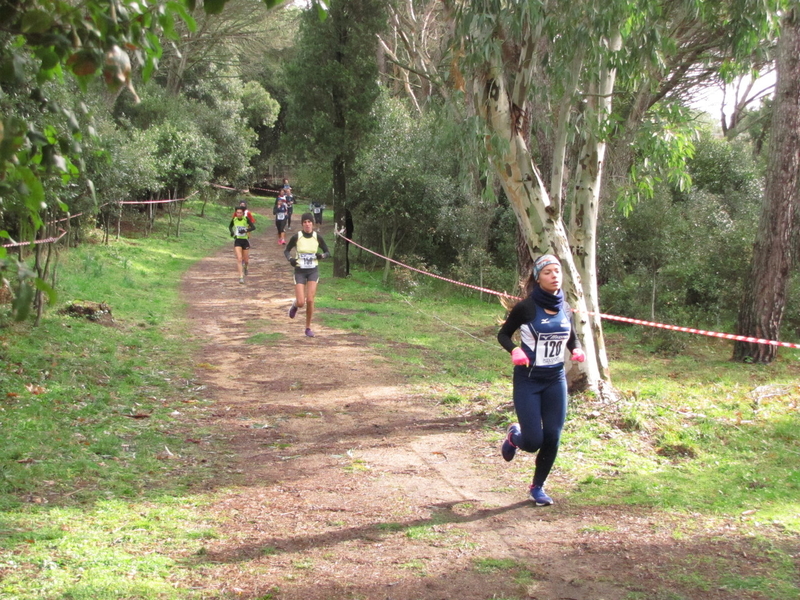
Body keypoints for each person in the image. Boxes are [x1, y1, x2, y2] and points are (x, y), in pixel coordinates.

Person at [497, 254, 585, 506]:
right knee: (533, 441)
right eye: (547, 272)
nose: (554, 275)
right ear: (537, 277)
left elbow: (571, 335)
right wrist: (514, 350)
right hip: (529, 380)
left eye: (557, 271)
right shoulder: (526, 308)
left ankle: (538, 487)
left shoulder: (565, 307)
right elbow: (503, 334)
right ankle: (515, 436)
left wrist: (576, 349)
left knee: (553, 437)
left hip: (555, 379)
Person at [284, 213, 330, 337]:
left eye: (309, 222)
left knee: (310, 300)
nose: (307, 224)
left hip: (312, 271)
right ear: (302, 224)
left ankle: (308, 327)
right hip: (300, 270)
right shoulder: (297, 237)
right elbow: (287, 250)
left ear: (313, 224)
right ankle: (294, 305)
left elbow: (327, 252)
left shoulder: (317, 237)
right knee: (301, 302)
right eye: (305, 222)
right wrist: (290, 259)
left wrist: (321, 256)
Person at [228, 207, 255, 284]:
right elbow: (230, 226)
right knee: (239, 259)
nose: (239, 214)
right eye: (237, 212)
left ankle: (246, 267)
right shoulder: (234, 219)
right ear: (236, 213)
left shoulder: (246, 219)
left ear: (243, 213)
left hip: (245, 241)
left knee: (246, 260)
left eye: (240, 212)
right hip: (238, 240)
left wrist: (246, 230)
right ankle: (241, 277)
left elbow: (253, 227)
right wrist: (232, 232)